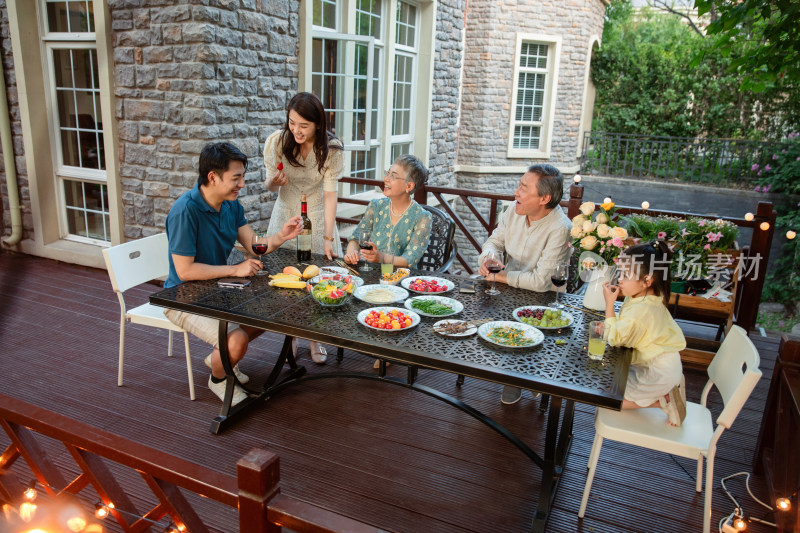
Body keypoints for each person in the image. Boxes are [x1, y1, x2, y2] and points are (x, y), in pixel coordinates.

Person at [164, 142, 303, 406]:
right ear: (213, 177)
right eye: (235, 178)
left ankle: (222, 357)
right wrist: (235, 269)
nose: (241, 184)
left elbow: (254, 245)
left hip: (217, 288)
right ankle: (219, 379)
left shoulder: (230, 206)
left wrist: (281, 236)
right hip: (181, 296)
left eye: (242, 177)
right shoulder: (185, 211)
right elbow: (184, 270)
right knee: (237, 339)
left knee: (268, 312)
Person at [477, 164, 572, 405]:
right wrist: (488, 258)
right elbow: (494, 242)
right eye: (519, 185)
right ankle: (505, 367)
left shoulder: (560, 227)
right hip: (507, 288)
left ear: (544, 198)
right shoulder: (513, 211)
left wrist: (499, 276)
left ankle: (521, 375)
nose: (515, 193)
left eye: (523, 188)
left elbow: (542, 282)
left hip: (544, 300)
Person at [263, 92, 344, 364]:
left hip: (318, 215)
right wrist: (276, 181)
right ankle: (291, 336)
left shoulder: (330, 149)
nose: (296, 130)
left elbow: (331, 193)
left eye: (303, 125)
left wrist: (329, 237)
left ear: (318, 125)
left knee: (318, 277)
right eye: (291, 122)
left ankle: (316, 337)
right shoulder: (278, 142)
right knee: (287, 277)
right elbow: (269, 186)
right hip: (286, 213)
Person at [602, 241, 688, 426]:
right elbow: (625, 329)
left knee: (607, 399)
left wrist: (609, 305)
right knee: (610, 384)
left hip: (657, 373)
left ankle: (663, 401)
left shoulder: (640, 311)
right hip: (660, 363)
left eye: (625, 275)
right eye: (620, 273)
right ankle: (664, 393)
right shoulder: (648, 298)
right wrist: (612, 324)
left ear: (647, 281)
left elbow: (615, 339)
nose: (620, 280)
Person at [343, 154, 432, 269]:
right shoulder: (376, 206)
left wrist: (382, 258)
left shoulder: (422, 217)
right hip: (371, 273)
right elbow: (355, 238)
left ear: (409, 186)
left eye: (393, 176)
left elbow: (410, 258)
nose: (386, 178)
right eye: (387, 173)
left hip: (400, 279)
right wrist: (351, 253)